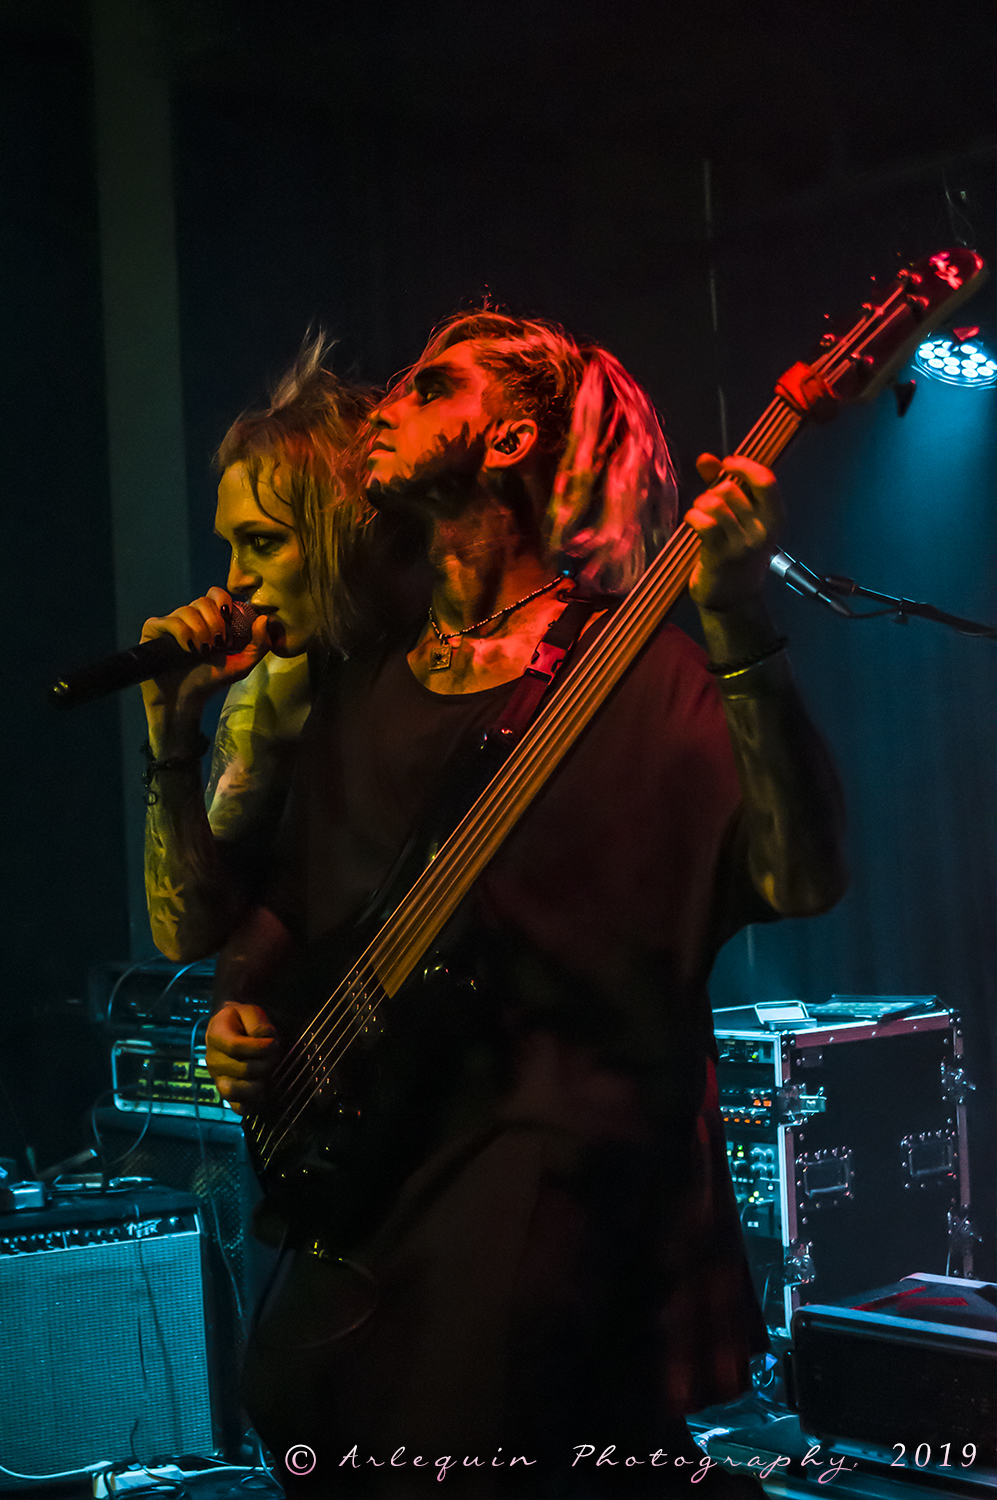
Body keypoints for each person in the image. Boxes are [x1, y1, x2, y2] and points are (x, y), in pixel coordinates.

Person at [205, 312, 847, 1497]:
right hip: (373, 1173)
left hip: (549, 1199)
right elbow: (294, 906)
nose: (385, 403)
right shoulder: (365, 676)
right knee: (291, 1405)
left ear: (505, 441)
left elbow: (801, 879)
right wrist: (241, 1006)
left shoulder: (641, 674)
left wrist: (738, 621)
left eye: (427, 386)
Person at [140, 338, 369, 961]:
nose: (234, 580)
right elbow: (183, 934)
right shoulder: (276, 682)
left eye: (263, 543)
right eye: (231, 547)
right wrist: (172, 727)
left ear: (348, 530)